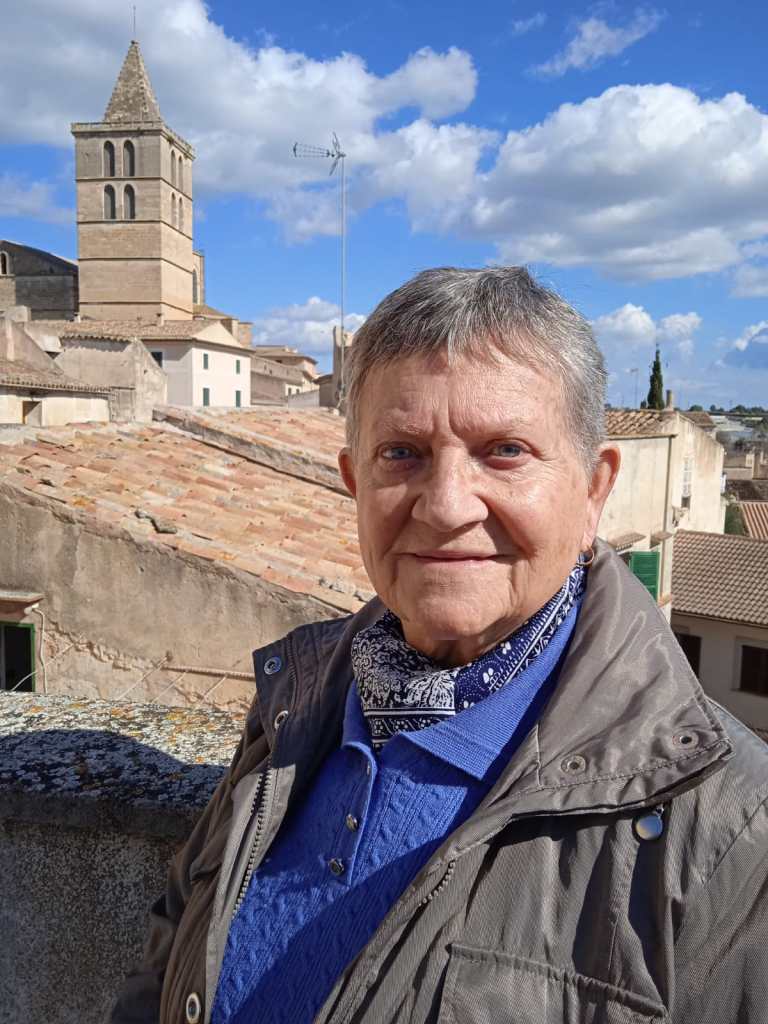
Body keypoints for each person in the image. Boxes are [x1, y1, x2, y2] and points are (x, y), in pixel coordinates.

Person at [113, 267, 768, 1024]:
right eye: (402, 454)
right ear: (354, 482)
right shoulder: (297, 702)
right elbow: (173, 944)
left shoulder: (727, 825)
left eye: (505, 450)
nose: (448, 507)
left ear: (593, 489)